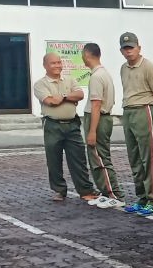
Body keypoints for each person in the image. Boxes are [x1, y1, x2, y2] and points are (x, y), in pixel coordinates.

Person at [33, 52, 98, 203]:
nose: (57, 66)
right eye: (53, 63)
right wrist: (69, 97)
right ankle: (59, 190)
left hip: (72, 124)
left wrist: (62, 97)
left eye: (59, 62)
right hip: (52, 125)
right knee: (54, 159)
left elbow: (80, 94)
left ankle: (85, 190)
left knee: (78, 159)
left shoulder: (69, 79)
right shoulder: (40, 84)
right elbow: (50, 101)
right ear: (45, 66)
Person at [118, 32, 153, 216]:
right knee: (135, 158)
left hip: (145, 109)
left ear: (139, 47)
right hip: (128, 111)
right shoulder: (123, 68)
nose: (128, 51)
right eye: (125, 48)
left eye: (131, 47)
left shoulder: (149, 67)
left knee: (150, 159)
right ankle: (142, 198)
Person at [81, 42, 124, 208]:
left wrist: (92, 131)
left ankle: (115, 194)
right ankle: (106, 192)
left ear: (87, 55)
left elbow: (96, 105)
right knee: (97, 157)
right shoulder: (103, 73)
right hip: (101, 118)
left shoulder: (97, 76)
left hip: (98, 119)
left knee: (100, 157)